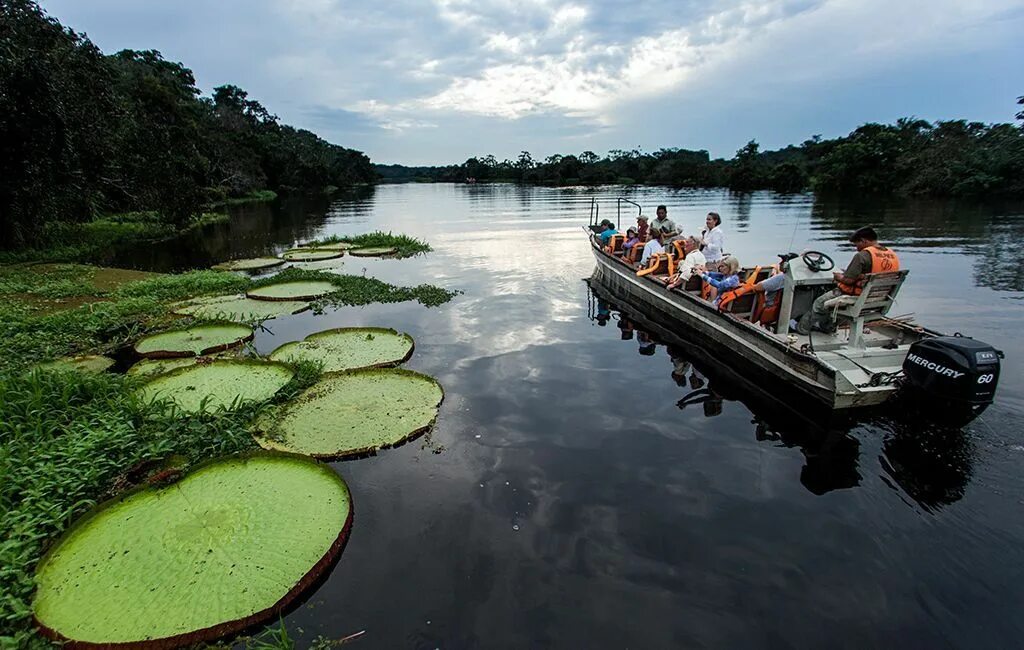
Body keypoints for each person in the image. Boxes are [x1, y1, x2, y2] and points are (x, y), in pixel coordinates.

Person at [797, 226, 900, 335]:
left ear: (863, 240)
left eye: (857, 244)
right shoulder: (892, 255)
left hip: (857, 297)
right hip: (878, 298)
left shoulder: (862, 256)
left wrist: (838, 276)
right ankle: (827, 327)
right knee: (832, 303)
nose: (857, 248)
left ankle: (801, 329)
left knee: (819, 303)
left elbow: (848, 280)